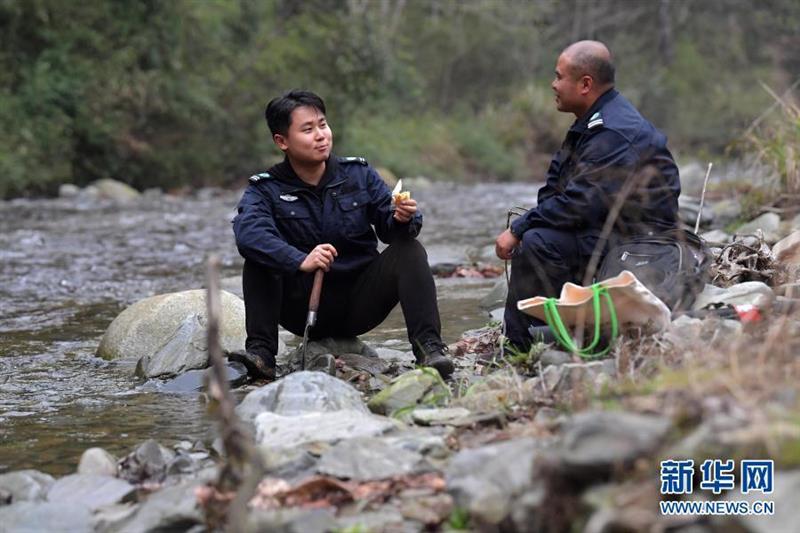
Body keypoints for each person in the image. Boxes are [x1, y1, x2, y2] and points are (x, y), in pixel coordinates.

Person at [231, 90, 454, 380]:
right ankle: (261, 354)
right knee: (258, 258)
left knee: (410, 250)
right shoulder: (265, 189)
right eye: (308, 130)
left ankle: (429, 349)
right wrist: (299, 260)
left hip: (360, 303)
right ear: (282, 141)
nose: (321, 135)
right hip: (301, 309)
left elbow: (389, 228)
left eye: (323, 125)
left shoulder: (358, 174)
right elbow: (248, 233)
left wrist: (402, 218)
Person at [495, 40, 681, 351]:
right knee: (540, 234)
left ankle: (521, 345)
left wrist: (519, 228)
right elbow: (555, 190)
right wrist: (532, 222)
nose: (553, 85)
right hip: (608, 232)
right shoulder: (591, 123)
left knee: (538, 242)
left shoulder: (613, 131)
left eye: (559, 77)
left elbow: (578, 205)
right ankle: (544, 330)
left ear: (585, 84)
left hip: (640, 247)